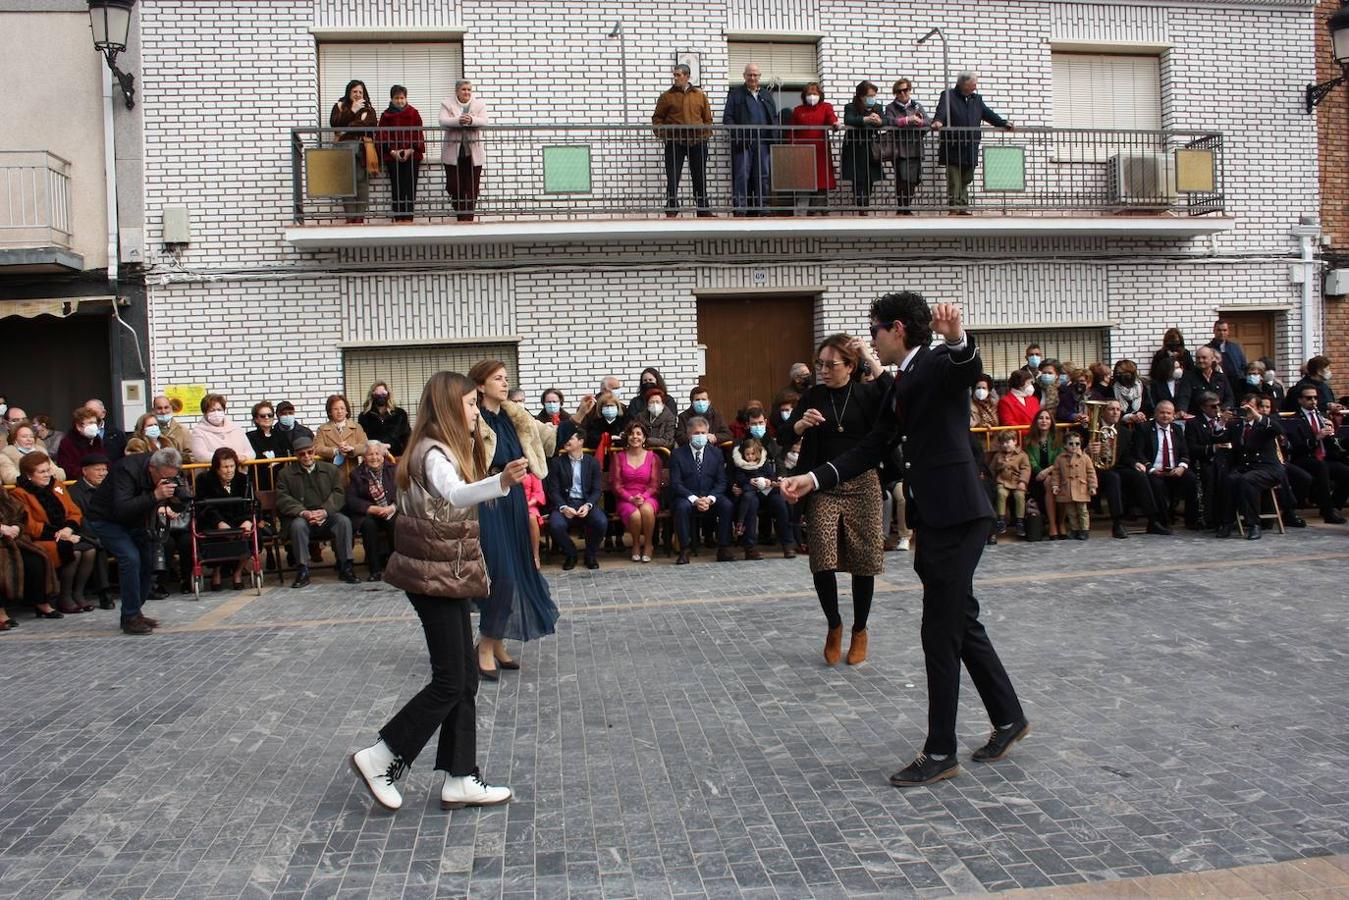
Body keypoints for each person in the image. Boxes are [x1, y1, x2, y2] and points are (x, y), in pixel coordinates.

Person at [780, 293, 1028, 788]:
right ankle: (1008, 717)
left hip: (959, 516)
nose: (870, 338)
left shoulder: (936, 361)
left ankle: (940, 750)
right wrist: (814, 478)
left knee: (940, 631)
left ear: (895, 329)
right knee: (961, 619)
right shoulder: (899, 383)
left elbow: (965, 365)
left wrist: (957, 337)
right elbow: (871, 447)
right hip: (937, 518)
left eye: (874, 330)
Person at [349, 370, 521, 814]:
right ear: (448, 407)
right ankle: (381, 756)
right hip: (433, 577)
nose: (474, 409)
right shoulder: (431, 452)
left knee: (462, 679)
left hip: (443, 573)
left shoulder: (439, 446)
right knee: (451, 682)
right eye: (468, 404)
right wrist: (501, 481)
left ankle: (461, 777)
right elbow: (458, 493)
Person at [782, 333, 892, 666]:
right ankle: (834, 625)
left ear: (850, 365)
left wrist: (870, 357)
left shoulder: (867, 393)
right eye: (820, 364)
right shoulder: (813, 395)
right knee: (823, 558)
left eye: (832, 365)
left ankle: (860, 629)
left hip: (863, 483)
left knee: (864, 559)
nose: (824, 371)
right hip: (821, 485)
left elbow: (895, 394)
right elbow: (783, 435)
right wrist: (800, 425)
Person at [468, 360, 560, 680]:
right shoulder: (472, 417)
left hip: (515, 499)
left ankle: (495, 643)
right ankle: (484, 647)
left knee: (517, 571)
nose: (504, 383)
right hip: (489, 497)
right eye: (497, 379)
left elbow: (545, 439)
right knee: (500, 573)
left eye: (506, 378)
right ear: (480, 385)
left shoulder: (512, 414)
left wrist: (575, 419)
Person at [85, 447, 190, 634]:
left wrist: (176, 500)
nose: (166, 481)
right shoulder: (126, 470)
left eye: (171, 477)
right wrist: (155, 496)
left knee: (147, 559)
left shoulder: (164, 471)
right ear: (152, 468)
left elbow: (181, 503)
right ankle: (130, 616)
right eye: (164, 477)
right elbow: (122, 508)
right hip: (106, 519)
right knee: (130, 558)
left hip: (137, 520)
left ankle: (135, 611)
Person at [13, 451, 96, 614]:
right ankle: (64, 597)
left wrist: (68, 528)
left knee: (90, 550)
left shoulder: (57, 485)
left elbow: (74, 511)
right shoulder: (20, 494)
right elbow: (30, 526)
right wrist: (59, 534)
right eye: (42, 472)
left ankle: (78, 593)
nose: (47, 475)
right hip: (38, 539)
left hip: (65, 533)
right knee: (74, 551)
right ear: (29, 475)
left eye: (48, 470)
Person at [275, 436, 358, 588]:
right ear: (295, 455)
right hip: (302, 517)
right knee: (298, 526)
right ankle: (303, 570)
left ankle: (346, 566)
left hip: (327, 515)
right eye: (301, 454)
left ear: (314, 451)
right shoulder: (285, 474)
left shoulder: (330, 469)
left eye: (309, 452)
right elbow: (283, 499)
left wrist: (325, 511)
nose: (306, 456)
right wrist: (304, 512)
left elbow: (339, 493)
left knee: (343, 521)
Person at [929, 72, 1012, 214]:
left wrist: (1003, 123)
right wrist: (938, 121)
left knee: (967, 178)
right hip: (953, 145)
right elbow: (941, 111)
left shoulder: (976, 99)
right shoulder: (948, 95)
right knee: (954, 179)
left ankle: (962, 207)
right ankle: (955, 208)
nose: (975, 86)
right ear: (963, 84)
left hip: (970, 146)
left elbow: (988, 114)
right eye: (973, 83)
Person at [1089, 400, 1165, 538]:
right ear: (1103, 412)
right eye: (1111, 409)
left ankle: (1153, 520)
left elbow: (1127, 456)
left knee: (1140, 476)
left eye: (1118, 409)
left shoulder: (1123, 431)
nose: (1115, 412)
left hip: (1116, 466)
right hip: (1094, 470)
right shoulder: (1092, 429)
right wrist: (1088, 450)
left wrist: (1134, 463)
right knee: (1113, 478)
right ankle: (1117, 523)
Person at [1213, 399, 1283, 540]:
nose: (1247, 412)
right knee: (1230, 480)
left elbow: (1278, 430)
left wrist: (1257, 415)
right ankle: (1226, 523)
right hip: (1245, 467)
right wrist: (1222, 422)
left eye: (1250, 408)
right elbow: (1217, 438)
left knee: (1248, 480)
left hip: (1267, 468)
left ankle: (1254, 525)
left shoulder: (1265, 422)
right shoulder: (1236, 425)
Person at [669, 417, 734, 564]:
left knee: (726, 505)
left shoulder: (716, 453)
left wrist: (710, 498)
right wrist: (694, 499)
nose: (700, 436)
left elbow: (722, 481)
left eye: (703, 433)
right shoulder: (677, 454)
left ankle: (723, 548)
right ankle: (684, 550)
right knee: (681, 507)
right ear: (688, 434)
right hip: (687, 497)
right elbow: (676, 483)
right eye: (696, 433)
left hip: (710, 496)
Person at [653, 64, 713, 217]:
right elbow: (657, 119)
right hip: (675, 141)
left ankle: (703, 209)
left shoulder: (699, 95)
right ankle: (672, 208)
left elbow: (707, 118)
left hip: (697, 141)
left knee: (699, 175)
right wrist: (664, 134)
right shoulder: (666, 96)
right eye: (674, 75)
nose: (676, 78)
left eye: (678, 75)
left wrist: (705, 133)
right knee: (673, 175)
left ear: (687, 76)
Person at [545, 422, 606, 571]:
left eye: (570, 438)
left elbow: (597, 490)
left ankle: (590, 554)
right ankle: (571, 553)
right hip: (566, 502)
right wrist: (563, 507)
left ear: (581, 441)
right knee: (556, 524)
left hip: (585, 502)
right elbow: (553, 490)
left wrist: (588, 505)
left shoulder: (592, 463)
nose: (567, 441)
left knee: (601, 521)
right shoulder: (557, 463)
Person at [193, 447, 255, 591]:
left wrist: (248, 520)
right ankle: (217, 571)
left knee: (251, 533)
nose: (229, 470)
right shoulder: (204, 480)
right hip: (213, 520)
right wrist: (219, 522)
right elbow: (202, 506)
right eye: (225, 467)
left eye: (232, 466)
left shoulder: (243, 479)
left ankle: (238, 572)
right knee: (215, 536)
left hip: (239, 519)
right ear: (216, 468)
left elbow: (253, 504)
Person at [1284, 384, 1349, 523]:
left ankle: (1334, 505)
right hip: (1304, 457)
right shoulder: (1295, 419)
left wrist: (1331, 433)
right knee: (1321, 467)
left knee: (1345, 471)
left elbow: (1332, 445)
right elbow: (1296, 447)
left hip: (1324, 457)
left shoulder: (1322, 416)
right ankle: (1328, 512)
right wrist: (1316, 437)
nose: (1313, 401)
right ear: (1300, 400)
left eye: (1315, 398)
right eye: (1309, 398)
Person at [0, 482, 60, 628]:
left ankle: (40, 602)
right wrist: (2, 529)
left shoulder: (3, 494)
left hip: (11, 540)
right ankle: (1, 612)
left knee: (36, 559)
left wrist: (15, 527)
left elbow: (20, 514)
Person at [1133, 400, 1199, 531]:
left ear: (1173, 415)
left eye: (1168, 413)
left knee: (1191, 479)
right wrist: (1151, 469)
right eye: (1162, 412)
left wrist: (1181, 467)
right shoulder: (1144, 428)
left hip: (1175, 469)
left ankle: (1192, 520)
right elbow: (1138, 452)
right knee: (1156, 484)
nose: (1165, 416)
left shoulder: (1177, 429)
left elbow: (1185, 452)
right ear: (1155, 413)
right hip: (1154, 469)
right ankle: (1162, 522)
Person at [722, 63, 777, 216]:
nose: (752, 78)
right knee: (741, 175)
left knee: (763, 176)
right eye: (749, 75)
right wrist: (738, 134)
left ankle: (763, 208)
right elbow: (728, 118)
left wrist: (775, 134)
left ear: (759, 76)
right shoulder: (735, 94)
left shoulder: (766, 94)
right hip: (744, 142)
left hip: (763, 142)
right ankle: (740, 209)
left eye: (755, 75)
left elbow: (773, 117)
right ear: (744, 76)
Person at [730, 436, 794, 560]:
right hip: (750, 493)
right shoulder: (740, 464)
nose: (750, 456)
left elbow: (772, 476)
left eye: (753, 453)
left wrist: (768, 481)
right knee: (750, 502)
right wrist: (748, 482)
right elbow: (737, 478)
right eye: (747, 454)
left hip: (766, 491)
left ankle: (787, 544)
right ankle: (750, 547)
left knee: (780, 502)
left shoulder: (763, 462)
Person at [67, 452, 114, 608]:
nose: (102, 473)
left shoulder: (110, 488)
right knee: (97, 546)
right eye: (97, 469)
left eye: (104, 469)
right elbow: (80, 520)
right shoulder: (75, 492)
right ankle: (104, 592)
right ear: (85, 471)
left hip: (112, 531)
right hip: (87, 534)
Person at [346, 441, 398, 581]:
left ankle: (396, 568)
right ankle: (375, 570)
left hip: (392, 510)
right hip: (370, 513)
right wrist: (372, 509)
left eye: (377, 453)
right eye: (370, 454)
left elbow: (404, 492)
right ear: (364, 456)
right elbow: (351, 500)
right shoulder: (357, 474)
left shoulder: (393, 470)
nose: (374, 457)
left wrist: (392, 507)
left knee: (395, 523)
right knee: (368, 525)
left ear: (383, 455)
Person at [330, 79, 379, 223]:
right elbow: (334, 124)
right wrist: (353, 111)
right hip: (343, 149)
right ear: (349, 92)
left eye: (360, 92)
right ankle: (350, 218)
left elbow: (370, 125)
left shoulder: (368, 109)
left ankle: (359, 218)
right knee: (347, 183)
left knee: (361, 181)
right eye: (354, 91)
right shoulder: (340, 105)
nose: (357, 94)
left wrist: (348, 126)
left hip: (362, 148)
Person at [440, 79, 489, 222]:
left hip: (473, 155)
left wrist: (472, 120)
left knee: (471, 188)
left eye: (469, 89)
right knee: (453, 186)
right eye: (463, 89)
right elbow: (442, 121)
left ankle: (466, 219)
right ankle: (461, 212)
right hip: (453, 154)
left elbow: (485, 121)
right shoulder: (447, 103)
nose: (466, 92)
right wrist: (458, 120)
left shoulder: (479, 104)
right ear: (457, 91)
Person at [611, 421, 660, 564]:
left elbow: (655, 484)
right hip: (626, 498)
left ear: (644, 438)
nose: (635, 437)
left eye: (639, 433)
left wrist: (643, 497)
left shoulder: (653, 457)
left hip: (648, 496)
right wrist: (631, 498)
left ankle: (649, 544)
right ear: (627, 437)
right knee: (635, 515)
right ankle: (636, 544)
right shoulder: (618, 457)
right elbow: (616, 485)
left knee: (646, 510)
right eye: (631, 434)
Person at [377, 84, 426, 222]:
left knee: (410, 187)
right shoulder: (386, 116)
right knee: (397, 187)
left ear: (406, 98)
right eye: (396, 98)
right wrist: (392, 151)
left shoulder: (413, 113)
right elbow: (382, 136)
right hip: (393, 157)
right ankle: (399, 217)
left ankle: (408, 217)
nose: (400, 101)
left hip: (412, 156)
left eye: (402, 97)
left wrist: (410, 150)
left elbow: (418, 133)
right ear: (392, 99)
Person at [789, 82, 839, 214]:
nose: (812, 96)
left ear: (820, 95)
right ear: (804, 96)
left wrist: (835, 123)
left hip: (821, 153)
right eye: (809, 94)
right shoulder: (798, 110)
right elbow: (791, 132)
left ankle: (820, 214)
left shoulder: (826, 107)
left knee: (822, 184)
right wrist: (792, 148)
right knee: (803, 184)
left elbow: (831, 118)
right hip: (802, 154)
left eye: (814, 94)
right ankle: (802, 215)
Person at [841, 80, 885, 212]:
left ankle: (865, 203)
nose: (872, 99)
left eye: (873, 95)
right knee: (858, 177)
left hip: (871, 148)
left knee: (870, 177)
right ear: (860, 95)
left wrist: (879, 121)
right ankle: (862, 205)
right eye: (869, 96)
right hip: (855, 147)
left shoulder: (877, 107)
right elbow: (849, 119)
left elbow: (886, 120)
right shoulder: (851, 107)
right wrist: (866, 119)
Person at [884, 78, 927, 214]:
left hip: (915, 147)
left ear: (909, 90)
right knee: (902, 179)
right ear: (895, 93)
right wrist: (907, 120)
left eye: (905, 90)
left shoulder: (916, 106)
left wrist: (919, 121)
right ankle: (901, 207)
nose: (903, 93)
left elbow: (928, 121)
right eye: (899, 91)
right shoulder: (891, 107)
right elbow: (889, 121)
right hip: (899, 149)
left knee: (913, 179)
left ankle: (907, 207)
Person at [1049, 432, 1097, 540]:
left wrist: (1092, 486)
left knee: (1083, 511)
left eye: (1077, 444)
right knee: (1071, 512)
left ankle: (1084, 530)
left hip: (1081, 488)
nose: (1074, 446)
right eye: (1071, 444)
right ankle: (1074, 529)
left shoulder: (1085, 458)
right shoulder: (1060, 459)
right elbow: (1056, 473)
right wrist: (1055, 485)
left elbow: (1091, 472)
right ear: (1065, 445)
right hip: (1067, 489)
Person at [1025, 409, 1063, 540]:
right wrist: (1040, 472)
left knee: (1051, 482)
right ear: (1036, 421)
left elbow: (1060, 459)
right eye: (1041, 418)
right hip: (1036, 477)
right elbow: (1031, 461)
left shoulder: (1058, 438)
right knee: (1048, 482)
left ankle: (1057, 524)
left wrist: (1047, 471)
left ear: (1051, 422)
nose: (1044, 421)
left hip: (1055, 473)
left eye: (1047, 418)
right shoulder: (1029, 440)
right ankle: (1054, 525)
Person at [314, 393, 368, 484]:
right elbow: (317, 448)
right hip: (330, 476)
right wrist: (335, 451)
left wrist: (352, 449)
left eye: (342, 408)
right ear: (330, 412)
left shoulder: (356, 427)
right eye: (335, 409)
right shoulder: (322, 429)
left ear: (347, 411)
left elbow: (365, 446)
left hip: (353, 475)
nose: (339, 411)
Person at [190, 394, 256, 467]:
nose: (216, 413)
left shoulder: (236, 428)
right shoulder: (198, 431)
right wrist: (232, 458)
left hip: (238, 474)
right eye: (212, 410)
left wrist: (244, 457)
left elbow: (251, 453)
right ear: (204, 412)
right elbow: (201, 455)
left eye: (219, 410)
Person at [989, 431, 1029, 537]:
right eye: (1002, 443)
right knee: (1001, 493)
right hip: (1002, 480)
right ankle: (1001, 519)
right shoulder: (998, 455)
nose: (1004, 445)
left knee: (1019, 496)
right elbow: (992, 469)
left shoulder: (1022, 455)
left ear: (1015, 441)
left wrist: (1023, 481)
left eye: (1007, 442)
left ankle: (1020, 521)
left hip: (1017, 482)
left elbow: (1026, 469)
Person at [1, 422, 66, 485]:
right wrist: (36, 476)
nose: (29, 439)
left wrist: (50, 475)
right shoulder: (6, 455)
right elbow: (10, 478)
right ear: (14, 439)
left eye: (31, 436)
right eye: (24, 437)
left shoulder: (41, 452)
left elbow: (60, 474)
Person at [1177, 345, 1234, 416]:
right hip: (1197, 418)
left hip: (1218, 416)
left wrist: (1222, 410)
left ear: (1212, 358)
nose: (1201, 360)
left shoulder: (1221, 377)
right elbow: (1184, 396)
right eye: (1198, 358)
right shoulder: (1188, 377)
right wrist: (1182, 410)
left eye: (1204, 358)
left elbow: (1229, 398)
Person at [246, 401, 290, 491]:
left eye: (270, 415)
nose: (267, 418)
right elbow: (254, 456)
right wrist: (272, 460)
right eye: (262, 416)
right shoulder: (250, 436)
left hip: (279, 481)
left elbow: (285, 455)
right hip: (259, 481)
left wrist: (270, 459)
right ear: (256, 419)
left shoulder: (281, 435)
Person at [358, 381, 411, 457]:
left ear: (388, 395)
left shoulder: (400, 414)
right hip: (374, 458)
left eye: (383, 394)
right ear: (372, 395)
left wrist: (405, 456)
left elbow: (407, 437)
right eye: (377, 394)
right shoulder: (364, 416)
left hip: (397, 458)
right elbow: (363, 440)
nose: (380, 397)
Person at [56, 407, 107, 476]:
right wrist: (90, 473)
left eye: (95, 423)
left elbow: (105, 461)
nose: (94, 426)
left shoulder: (97, 440)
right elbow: (67, 468)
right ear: (79, 426)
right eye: (90, 423)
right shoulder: (67, 443)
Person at [151, 394, 192, 460]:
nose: (163, 411)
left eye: (166, 407)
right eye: (159, 408)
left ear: (171, 408)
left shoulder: (182, 430)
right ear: (153, 410)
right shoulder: (149, 430)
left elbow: (191, 456)